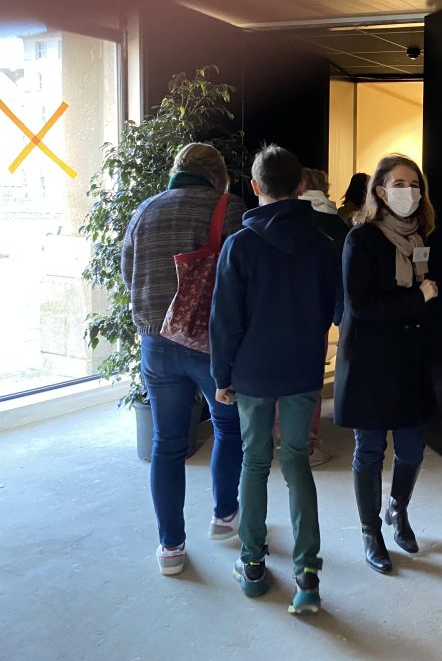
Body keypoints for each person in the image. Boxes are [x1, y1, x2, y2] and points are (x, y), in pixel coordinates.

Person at [210, 145, 339, 614]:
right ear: (302, 186)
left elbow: (225, 320)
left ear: (255, 187)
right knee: (298, 462)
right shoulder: (323, 244)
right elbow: (331, 308)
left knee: (255, 462)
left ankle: (253, 565)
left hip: (253, 373)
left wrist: (221, 375)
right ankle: (307, 576)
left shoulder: (239, 246)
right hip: (303, 368)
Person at [121, 142, 246, 577]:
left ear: (178, 169)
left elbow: (127, 272)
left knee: (167, 444)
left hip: (156, 344)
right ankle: (224, 515)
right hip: (211, 346)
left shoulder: (144, 210)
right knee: (229, 427)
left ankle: (170, 547)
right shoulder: (228, 208)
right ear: (218, 176)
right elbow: (241, 276)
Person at [333, 154, 439, 575]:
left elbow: (435, 288)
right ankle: (370, 530)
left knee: (412, 448)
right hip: (370, 363)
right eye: (399, 183)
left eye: (414, 184)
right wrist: (419, 298)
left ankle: (398, 508)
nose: (408, 191)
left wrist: (429, 295)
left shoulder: (422, 236)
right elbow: (360, 306)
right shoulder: (360, 239)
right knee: (370, 450)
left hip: (410, 360)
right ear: (380, 190)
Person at [290, 167, 351, 466]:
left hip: (289, 306)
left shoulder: (293, 221)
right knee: (312, 374)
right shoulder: (338, 224)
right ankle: (307, 442)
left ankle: (285, 434)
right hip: (326, 308)